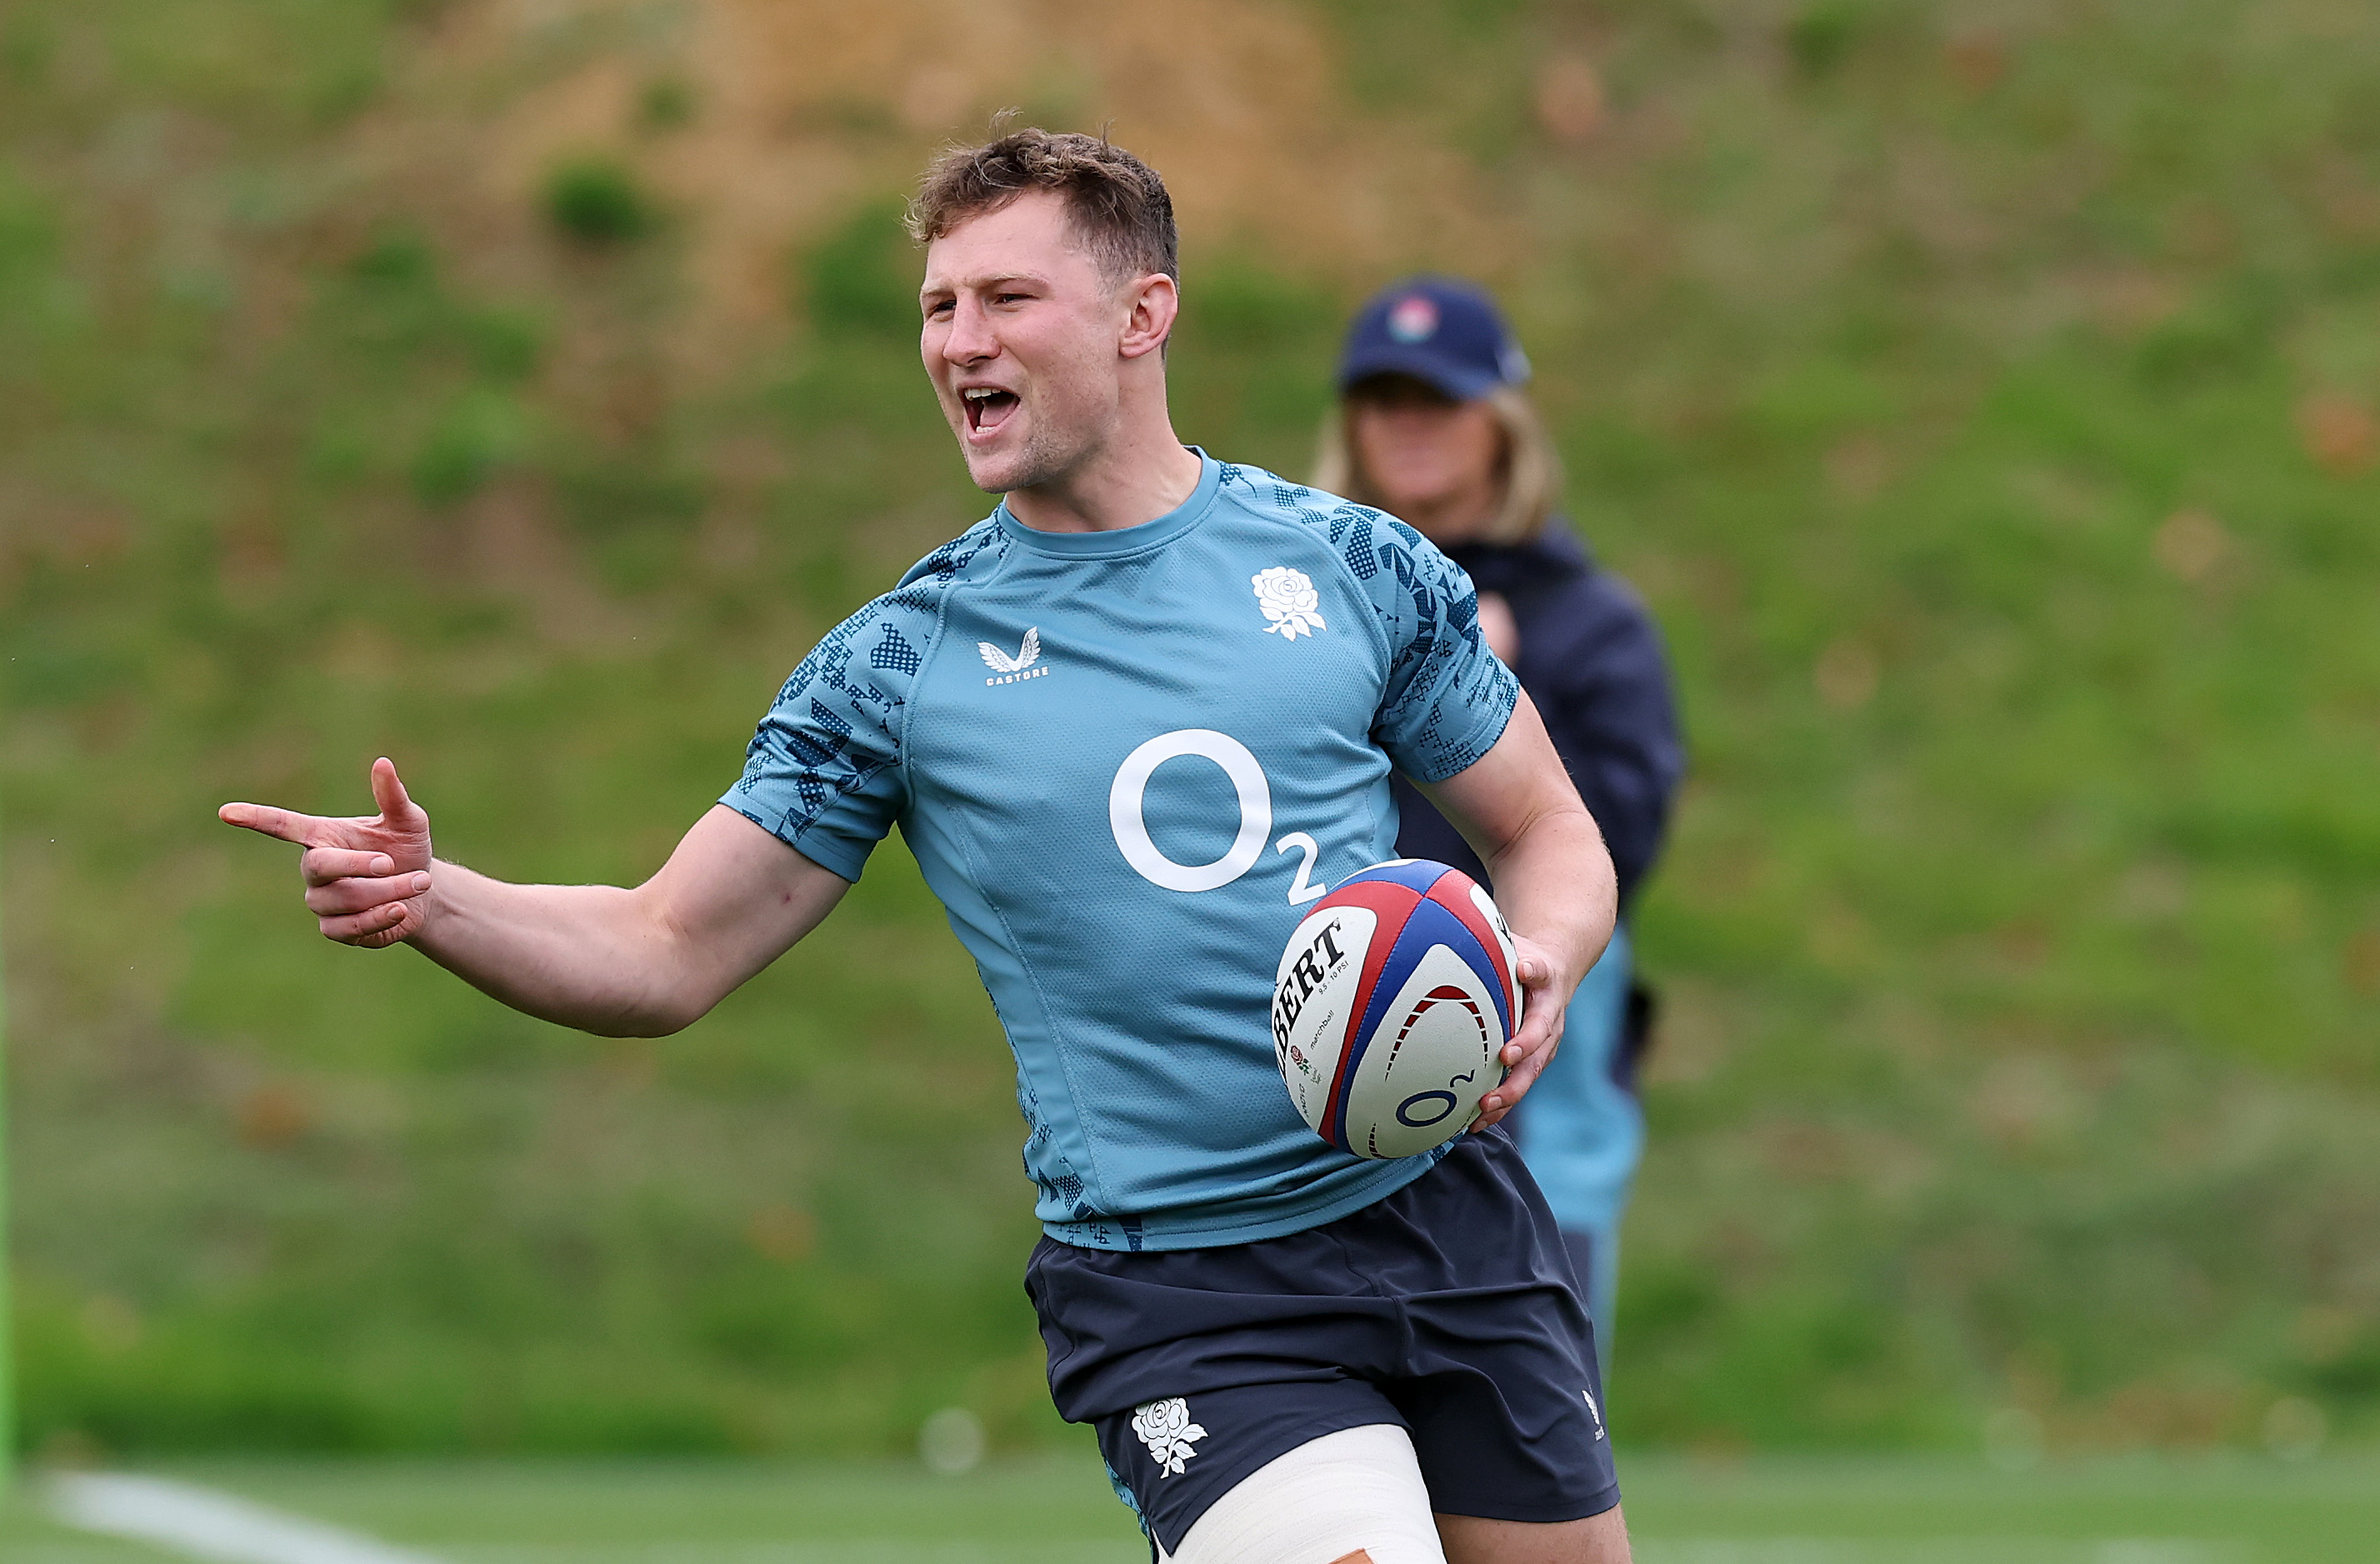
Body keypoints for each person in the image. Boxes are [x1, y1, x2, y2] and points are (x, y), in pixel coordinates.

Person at [221, 131, 1631, 1564]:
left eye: (1008, 299)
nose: (961, 341)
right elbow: (665, 948)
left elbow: (1550, 830)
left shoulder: (1353, 564)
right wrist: (435, 895)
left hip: (1453, 1214)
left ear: (1144, 316)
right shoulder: (898, 667)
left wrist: (1544, 957)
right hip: (1194, 1293)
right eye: (938, 306)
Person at [1315, 278, 1683, 1367]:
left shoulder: (1590, 622)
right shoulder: (1300, 613)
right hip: (1340, 1026)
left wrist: (1488, 703)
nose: (1409, 424)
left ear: (1500, 421)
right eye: (1383, 400)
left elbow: (1615, 838)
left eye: (1438, 397)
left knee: (1534, 1385)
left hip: (1531, 1033)